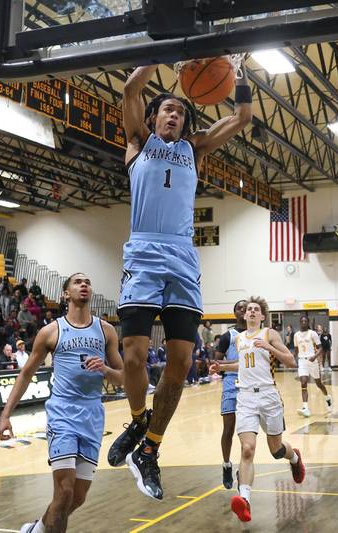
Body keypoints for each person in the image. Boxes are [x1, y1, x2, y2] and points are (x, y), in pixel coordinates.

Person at [108, 60, 253, 501]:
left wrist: (241, 74)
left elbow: (242, 118)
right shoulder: (138, 143)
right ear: (154, 118)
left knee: (181, 362)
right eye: (168, 110)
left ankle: (150, 448)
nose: (175, 116)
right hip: (145, 252)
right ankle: (137, 418)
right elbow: (132, 88)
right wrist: (161, 49)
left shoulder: (195, 149)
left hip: (184, 257)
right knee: (133, 355)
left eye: (181, 112)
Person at [0, 273, 124, 533]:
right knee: (64, 491)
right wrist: (5, 415)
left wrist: (106, 371)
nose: (84, 285)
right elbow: (26, 374)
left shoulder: (106, 330)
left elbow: (124, 379)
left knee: (76, 497)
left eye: (88, 281)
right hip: (62, 412)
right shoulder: (51, 331)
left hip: (92, 414)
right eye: (78, 282)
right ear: (66, 294)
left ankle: (38, 529)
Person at [209, 297, 305, 523]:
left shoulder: (269, 334)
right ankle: (244, 500)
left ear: (262, 316)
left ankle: (294, 458)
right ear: (244, 316)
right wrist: (221, 367)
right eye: (249, 310)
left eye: (256, 310)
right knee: (247, 449)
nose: (252, 312)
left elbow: (291, 361)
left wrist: (269, 347)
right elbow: (242, 364)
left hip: (269, 396)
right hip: (245, 398)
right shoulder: (239, 338)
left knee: (276, 449)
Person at [213, 299, 246, 489]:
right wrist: (227, 370)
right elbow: (216, 363)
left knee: (245, 431)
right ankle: (226, 464)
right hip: (231, 384)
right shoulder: (228, 336)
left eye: (245, 307)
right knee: (228, 429)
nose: (243, 310)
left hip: (250, 385)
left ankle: (243, 470)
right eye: (239, 308)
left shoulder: (257, 335)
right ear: (235, 313)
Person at [294, 316, 331, 417]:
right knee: (303, 382)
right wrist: (293, 359)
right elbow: (296, 349)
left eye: (305, 321)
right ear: (299, 322)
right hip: (302, 361)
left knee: (318, 383)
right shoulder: (296, 335)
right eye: (302, 321)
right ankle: (305, 408)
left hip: (312, 361)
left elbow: (320, 348)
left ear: (308, 322)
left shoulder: (312, 333)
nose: (303, 322)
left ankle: (328, 397)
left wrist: (315, 356)